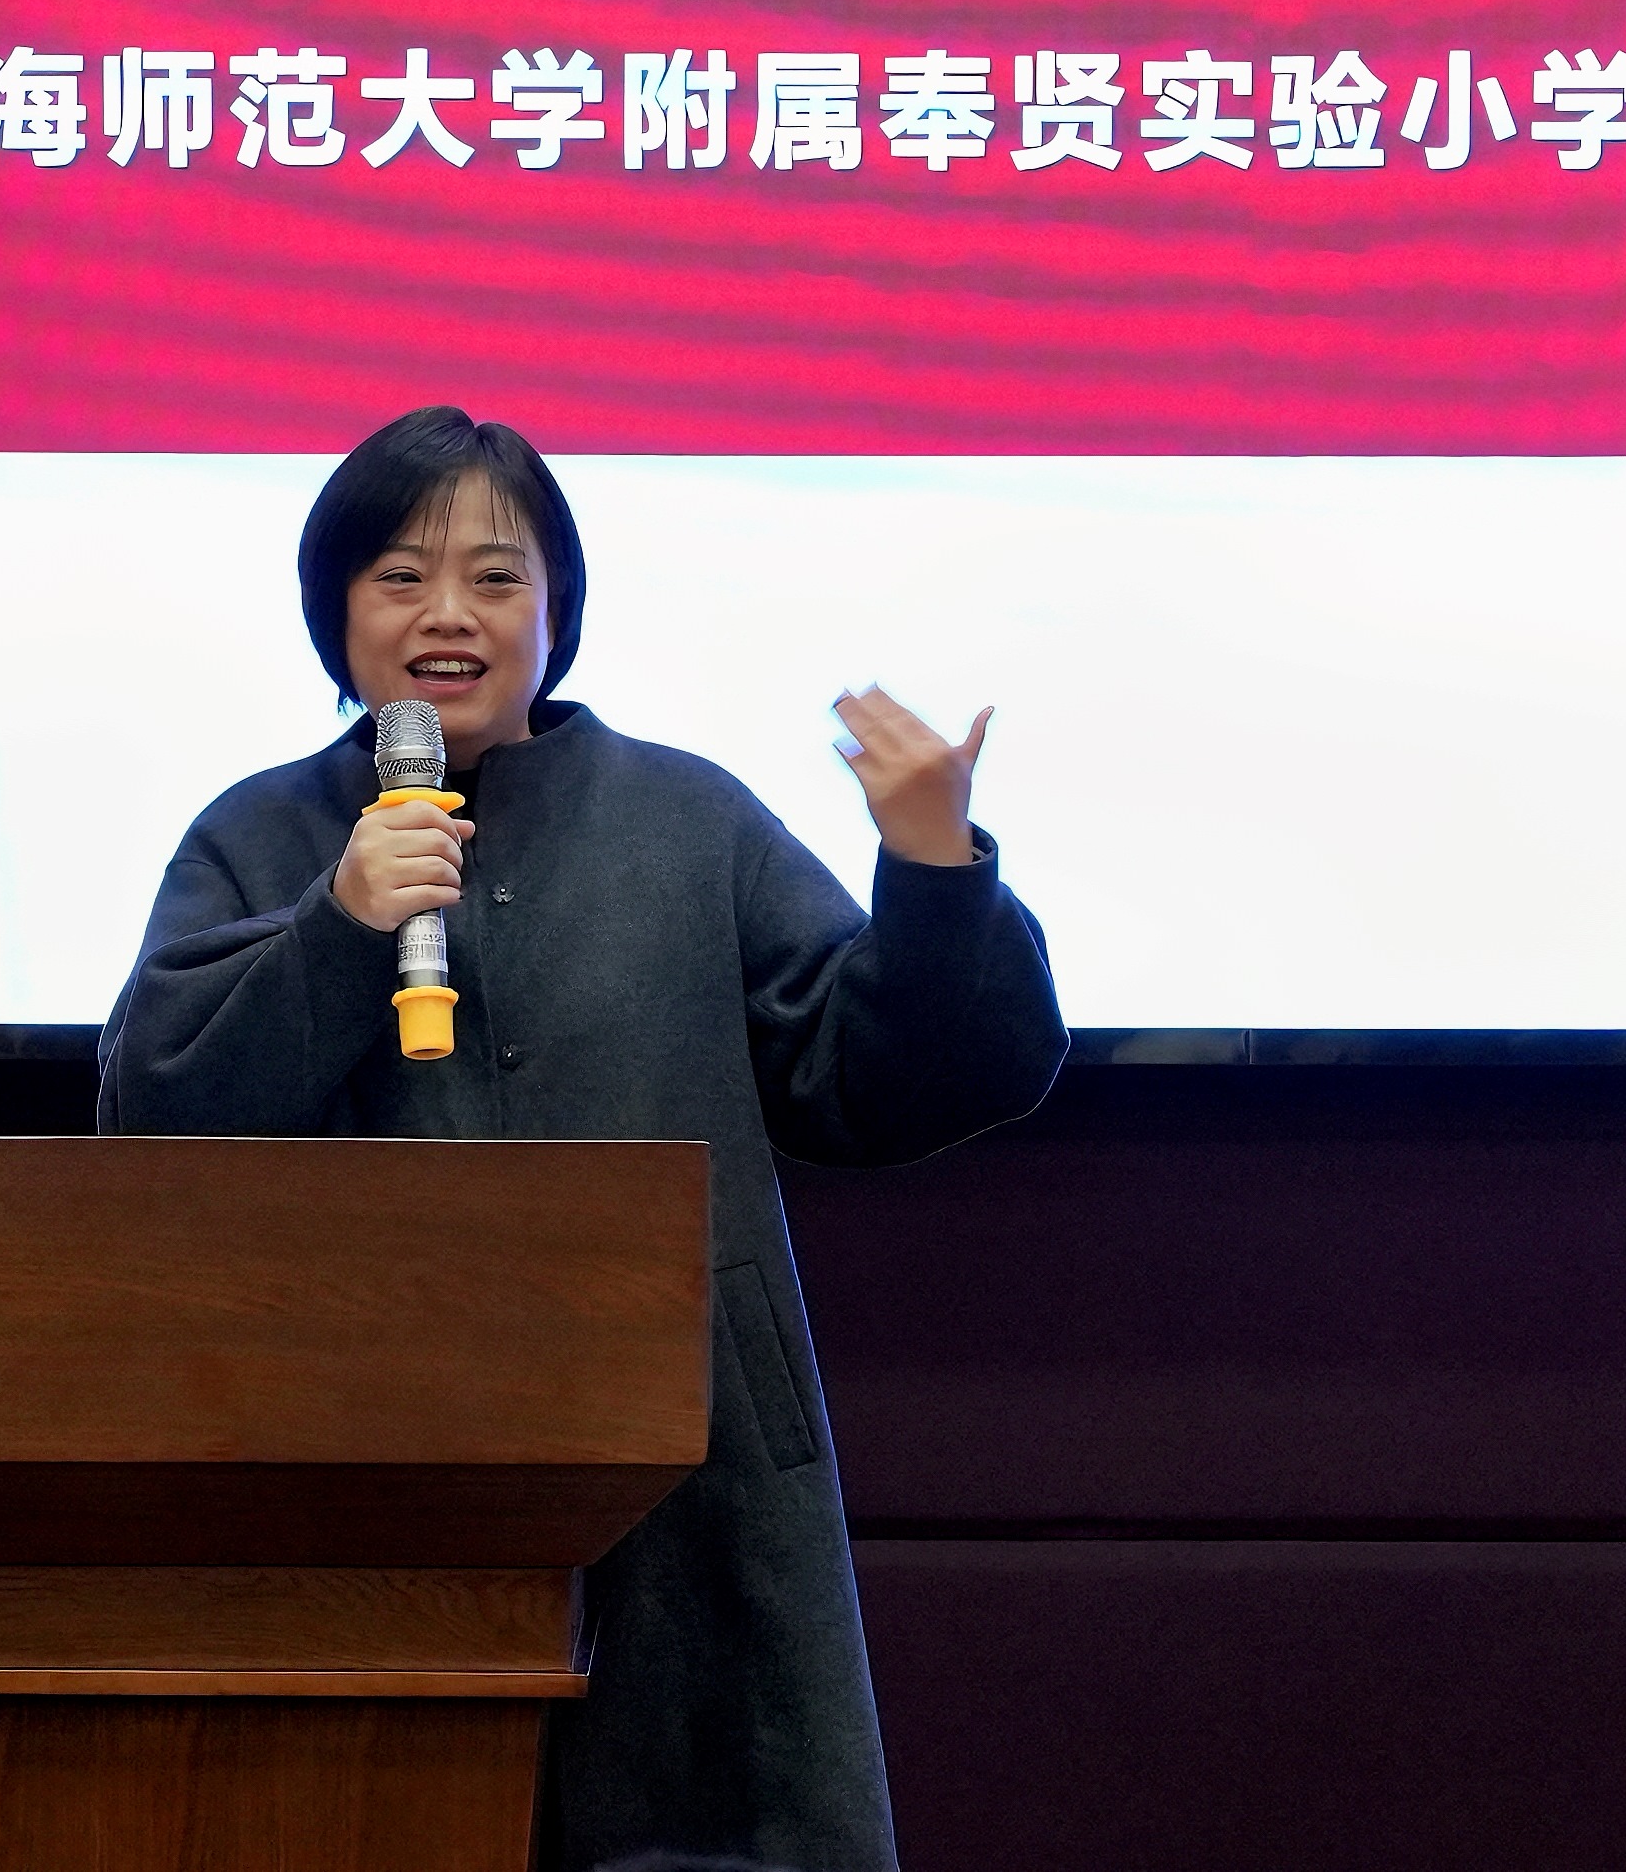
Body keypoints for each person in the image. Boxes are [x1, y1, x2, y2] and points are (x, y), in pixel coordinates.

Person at [98, 405, 1066, 1872]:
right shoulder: (259, 837)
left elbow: (889, 1082)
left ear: (556, 613)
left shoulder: (687, 821)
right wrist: (339, 926)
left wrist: (934, 872)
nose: (449, 613)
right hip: (369, 1479)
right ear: (334, 613)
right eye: (399, 576)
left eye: (497, 577)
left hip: (689, 1482)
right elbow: (154, 1118)